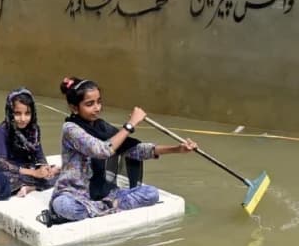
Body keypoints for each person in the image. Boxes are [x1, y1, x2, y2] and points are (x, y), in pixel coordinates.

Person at [49, 77, 197, 222]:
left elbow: (135, 150)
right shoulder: (70, 129)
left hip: (105, 193)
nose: (97, 108)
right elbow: (102, 151)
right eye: (90, 104)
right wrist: (130, 125)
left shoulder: (102, 127)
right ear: (74, 107)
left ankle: (102, 207)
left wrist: (177, 149)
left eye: (99, 102)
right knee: (64, 206)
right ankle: (109, 207)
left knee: (151, 194)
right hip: (75, 193)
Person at [0, 87, 60, 200]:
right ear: (10, 112)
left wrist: (45, 168)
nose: (23, 119)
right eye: (17, 113)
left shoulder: (34, 130)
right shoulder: (1, 132)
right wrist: (34, 173)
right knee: (5, 182)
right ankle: (30, 185)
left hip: (28, 167)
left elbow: (39, 153)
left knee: (63, 174)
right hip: (9, 171)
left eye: (27, 113)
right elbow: (2, 164)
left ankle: (29, 187)